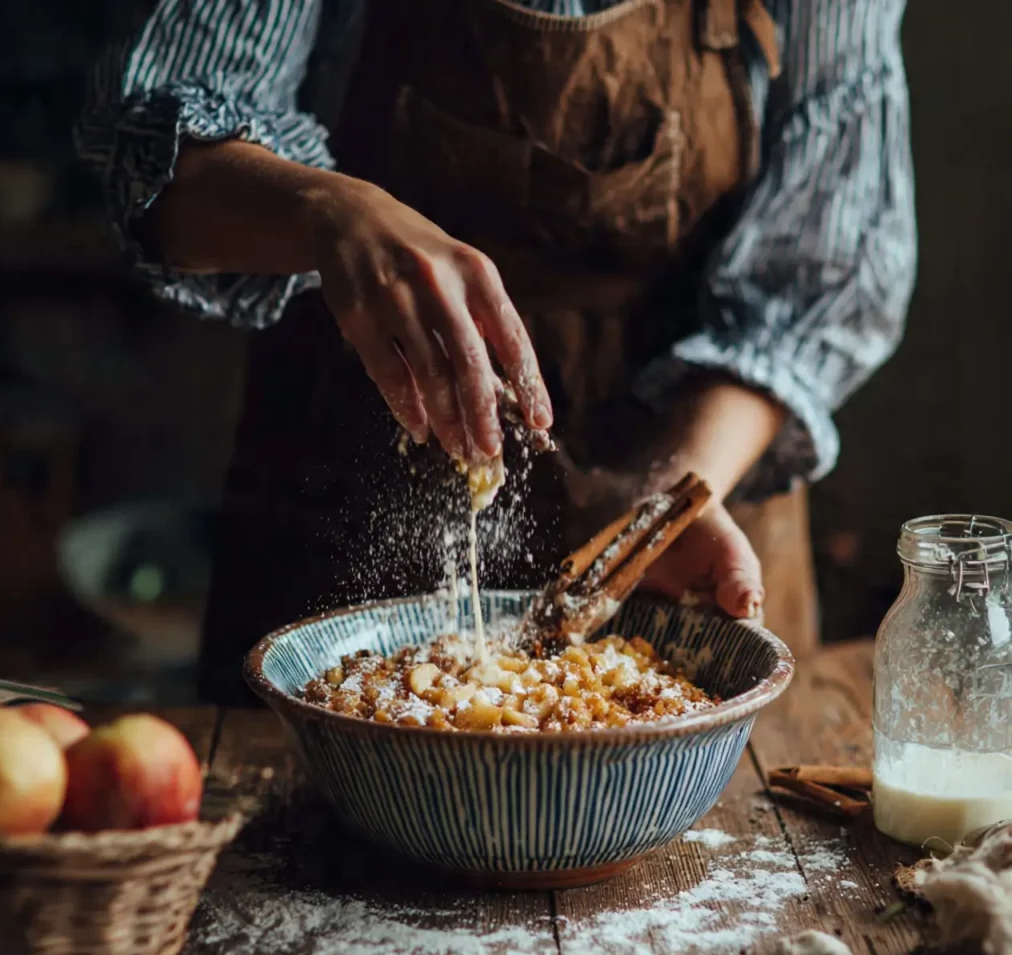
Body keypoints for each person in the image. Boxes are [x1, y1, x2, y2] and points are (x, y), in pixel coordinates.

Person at [78, 0, 915, 702]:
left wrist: (671, 499)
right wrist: (327, 214)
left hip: (695, 528)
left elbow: (821, 277)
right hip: (338, 486)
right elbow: (152, 156)